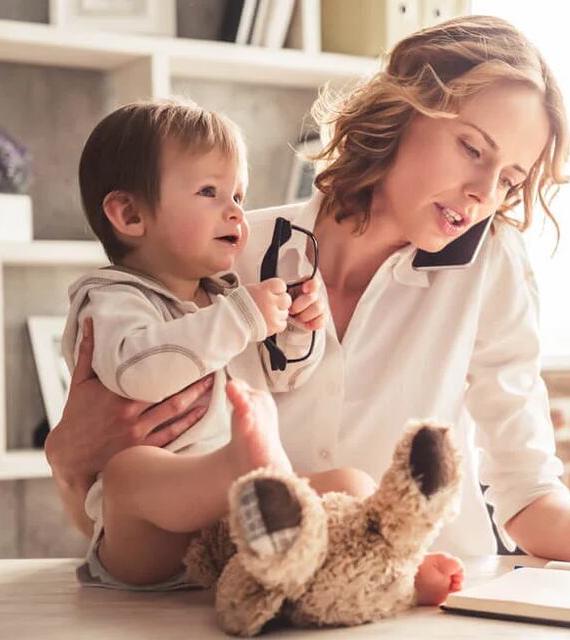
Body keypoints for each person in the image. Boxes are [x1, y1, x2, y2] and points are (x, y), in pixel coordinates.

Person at [47, 15, 570, 584]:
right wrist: (68, 461)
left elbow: (527, 491)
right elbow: (124, 511)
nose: (482, 192)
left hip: (434, 599)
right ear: (401, 109)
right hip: (256, 603)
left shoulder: (493, 267)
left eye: (509, 179)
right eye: (472, 148)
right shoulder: (226, 256)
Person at [63, 98, 463, 602]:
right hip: (147, 540)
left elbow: (283, 378)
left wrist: (299, 331)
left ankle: (394, 567)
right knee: (129, 473)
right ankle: (237, 470)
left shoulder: (223, 294)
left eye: (238, 193)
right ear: (128, 214)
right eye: (209, 192)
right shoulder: (112, 296)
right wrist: (240, 319)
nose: (235, 210)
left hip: (236, 526)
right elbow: (137, 373)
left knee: (349, 485)